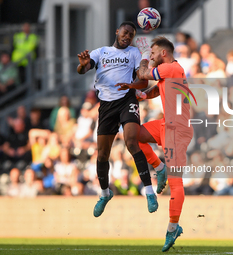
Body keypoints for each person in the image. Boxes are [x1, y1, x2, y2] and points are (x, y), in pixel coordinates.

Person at [116, 36, 193, 252]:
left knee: (176, 183)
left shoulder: (170, 68)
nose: (151, 56)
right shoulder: (171, 73)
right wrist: (137, 93)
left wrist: (141, 55)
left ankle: (173, 227)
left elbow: (143, 74)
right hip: (165, 124)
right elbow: (156, 91)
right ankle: (159, 167)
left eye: (153, 53)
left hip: (177, 130)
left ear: (164, 53)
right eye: (149, 54)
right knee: (132, 134)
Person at [77, 21, 159, 217]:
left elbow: (144, 80)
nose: (127, 36)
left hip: (126, 99)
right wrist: (82, 65)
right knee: (102, 154)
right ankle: (105, 194)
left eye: (131, 35)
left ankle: (149, 191)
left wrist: (131, 86)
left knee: (132, 141)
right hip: (106, 105)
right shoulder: (101, 52)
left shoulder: (134, 53)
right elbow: (84, 69)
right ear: (117, 32)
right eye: (125, 32)